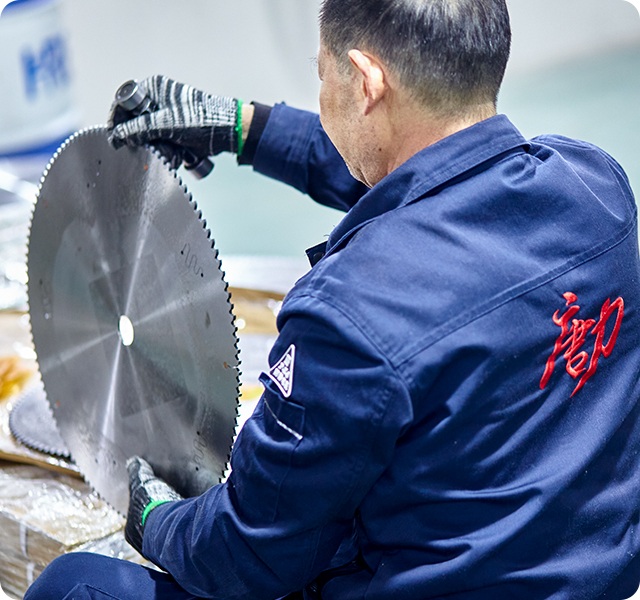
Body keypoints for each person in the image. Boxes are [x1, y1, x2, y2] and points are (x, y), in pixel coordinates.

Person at [24, 0, 640, 598]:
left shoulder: (348, 318)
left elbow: (248, 554)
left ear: (366, 83)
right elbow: (433, 176)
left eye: (324, 77)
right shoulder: (596, 192)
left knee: (76, 586)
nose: (323, 101)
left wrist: (156, 517)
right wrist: (246, 127)